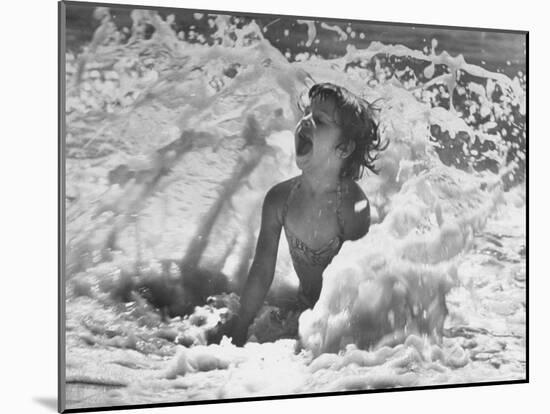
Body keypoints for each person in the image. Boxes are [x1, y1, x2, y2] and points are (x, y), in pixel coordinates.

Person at [231, 82, 387, 346]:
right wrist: (241, 325)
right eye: (306, 114)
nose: (305, 122)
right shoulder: (280, 199)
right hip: (302, 311)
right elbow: (261, 271)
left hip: (336, 321)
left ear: (344, 148)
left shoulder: (350, 207)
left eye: (320, 121)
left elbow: (359, 286)